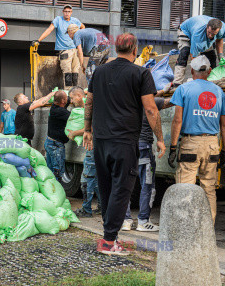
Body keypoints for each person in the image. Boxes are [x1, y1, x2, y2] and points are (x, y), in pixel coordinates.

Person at [83, 33, 166, 256]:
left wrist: (88, 129)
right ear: (134, 50)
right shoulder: (141, 72)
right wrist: (159, 137)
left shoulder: (99, 71)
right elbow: (150, 109)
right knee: (122, 191)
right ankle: (109, 241)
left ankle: (109, 236)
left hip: (101, 141)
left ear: (116, 48)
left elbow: (89, 101)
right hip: (125, 141)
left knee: (107, 189)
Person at [168, 55, 225, 224]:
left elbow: (177, 120)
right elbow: (223, 126)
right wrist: (224, 151)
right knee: (209, 189)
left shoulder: (183, 89)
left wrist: (172, 147)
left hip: (190, 145)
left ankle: (185, 230)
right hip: (212, 145)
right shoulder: (219, 92)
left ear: (191, 70)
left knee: (185, 188)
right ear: (208, 72)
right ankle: (207, 230)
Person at [121, 97, 173, 232]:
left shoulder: (124, 99)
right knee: (147, 185)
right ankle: (143, 221)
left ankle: (125, 221)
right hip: (143, 147)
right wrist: (160, 139)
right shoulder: (151, 100)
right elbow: (172, 101)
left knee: (124, 184)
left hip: (125, 146)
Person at [66, 87, 101, 218]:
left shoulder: (89, 105)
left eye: (72, 97)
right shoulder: (90, 103)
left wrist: (74, 132)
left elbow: (91, 126)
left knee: (87, 177)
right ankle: (101, 207)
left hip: (93, 145)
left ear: (80, 96)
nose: (71, 101)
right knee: (96, 177)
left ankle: (86, 209)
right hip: (98, 144)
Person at [32, 5, 85, 87]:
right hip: (65, 50)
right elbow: (49, 29)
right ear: (63, 12)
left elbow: (83, 27)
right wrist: (39, 40)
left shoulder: (75, 20)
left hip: (75, 49)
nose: (67, 13)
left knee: (75, 72)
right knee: (67, 72)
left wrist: (80, 38)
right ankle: (68, 92)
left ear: (71, 12)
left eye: (69, 11)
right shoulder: (58, 20)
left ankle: (75, 91)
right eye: (65, 11)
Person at [173, 16, 225, 85]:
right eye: (209, 32)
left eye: (213, 34)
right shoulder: (198, 35)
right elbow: (194, 58)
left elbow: (219, 40)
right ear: (207, 26)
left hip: (199, 29)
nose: (210, 35)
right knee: (184, 53)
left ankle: (211, 80)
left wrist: (221, 56)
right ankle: (177, 83)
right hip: (185, 31)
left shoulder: (222, 29)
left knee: (211, 57)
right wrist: (197, 80)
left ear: (219, 30)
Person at [44, 90, 71, 180]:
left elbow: (64, 102)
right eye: (66, 98)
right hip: (55, 146)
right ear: (63, 101)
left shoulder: (54, 107)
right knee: (57, 173)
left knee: (50, 172)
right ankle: (56, 192)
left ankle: (50, 192)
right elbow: (73, 118)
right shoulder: (60, 111)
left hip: (50, 143)